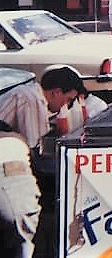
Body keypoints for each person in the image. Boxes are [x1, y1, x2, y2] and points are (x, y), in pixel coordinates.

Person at [0, 66, 83, 257]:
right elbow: (36, 149)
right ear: (55, 92)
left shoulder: (27, 93)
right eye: (67, 100)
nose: (65, 106)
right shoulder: (33, 100)